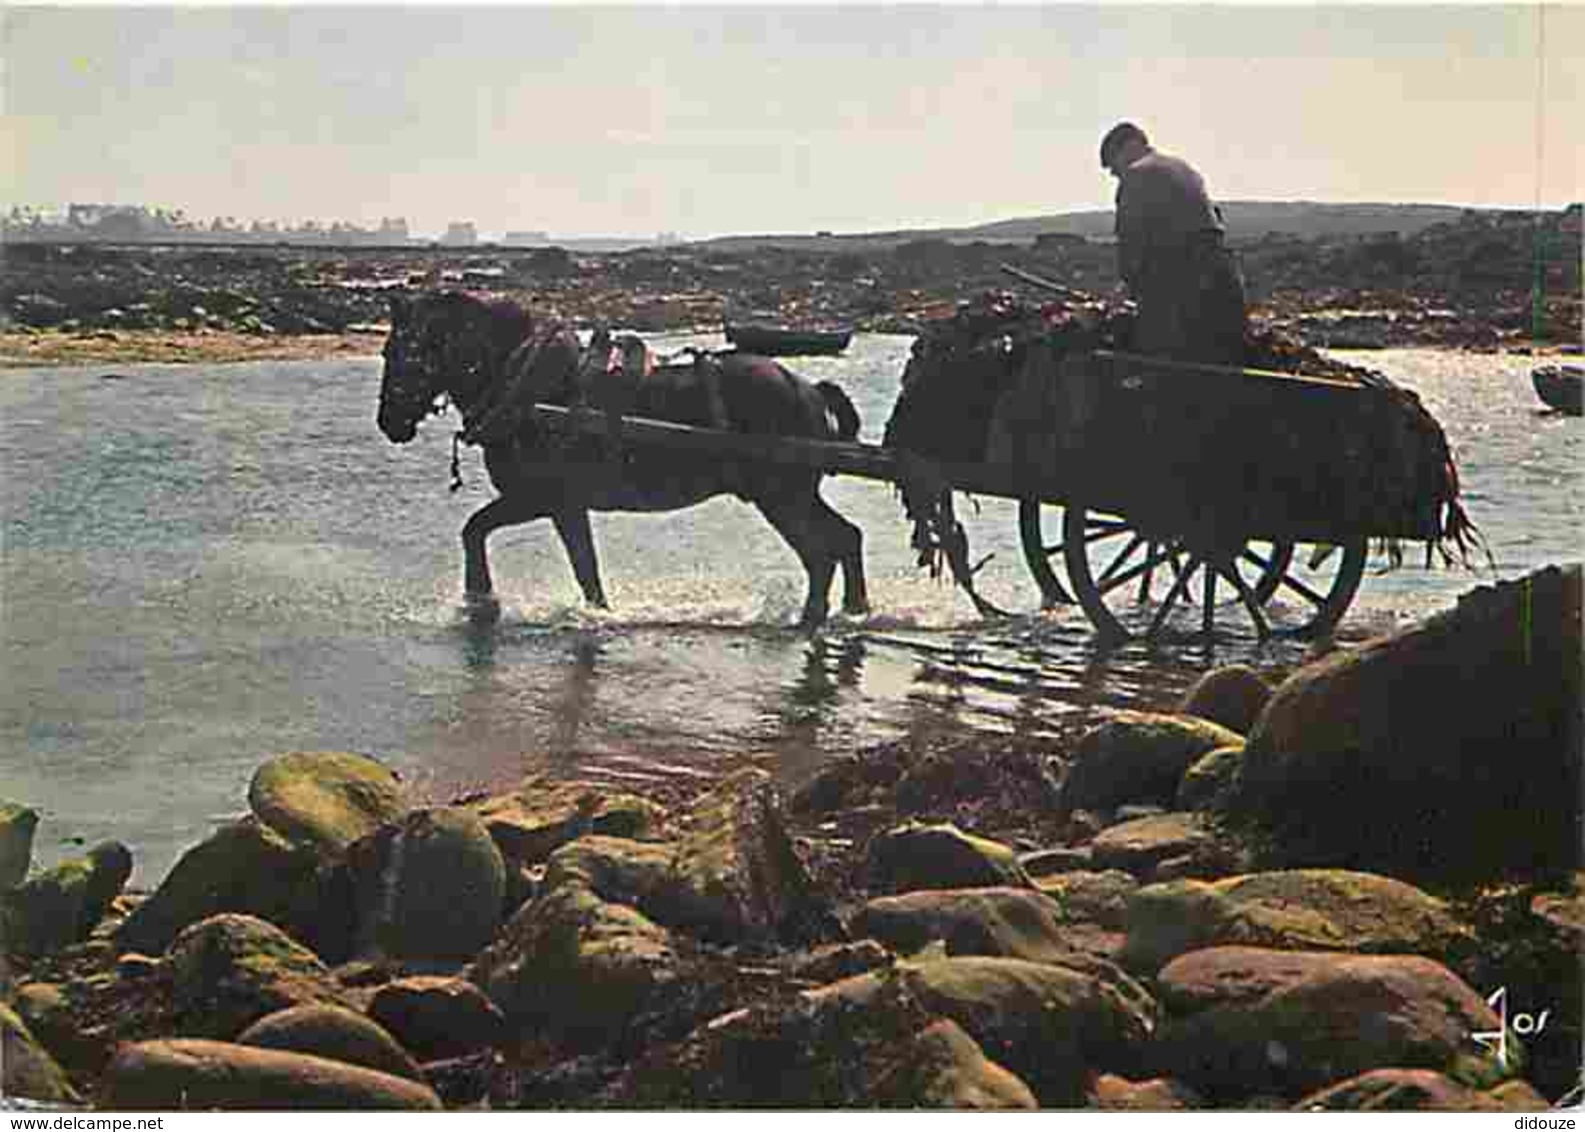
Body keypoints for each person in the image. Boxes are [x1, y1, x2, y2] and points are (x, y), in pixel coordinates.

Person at [1100, 122, 1247, 367]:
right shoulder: (1186, 169)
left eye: (1112, 165)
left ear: (1129, 146)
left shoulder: (1137, 175)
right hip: (1226, 286)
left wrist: (1125, 287)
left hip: (1181, 299)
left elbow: (1132, 244)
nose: (1114, 173)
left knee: (1169, 379)